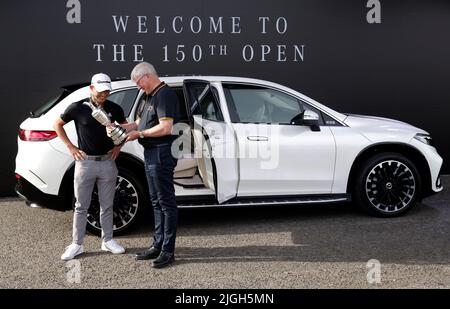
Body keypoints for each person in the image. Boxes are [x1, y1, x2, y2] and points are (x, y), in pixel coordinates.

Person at [55, 73, 127, 260]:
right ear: (92, 89)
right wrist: (71, 147)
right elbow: (58, 124)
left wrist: (119, 146)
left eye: (107, 92)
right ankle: (77, 245)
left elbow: (127, 128)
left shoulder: (114, 108)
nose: (104, 95)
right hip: (85, 163)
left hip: (107, 162)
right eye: (101, 92)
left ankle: (108, 240)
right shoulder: (77, 108)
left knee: (107, 205)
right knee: (81, 206)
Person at [123, 62, 180, 268]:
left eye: (139, 83)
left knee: (166, 203)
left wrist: (139, 134)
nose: (139, 87)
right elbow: (138, 123)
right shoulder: (149, 95)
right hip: (151, 153)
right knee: (156, 201)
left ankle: (167, 250)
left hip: (161, 152)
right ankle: (157, 245)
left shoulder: (164, 95)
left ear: (147, 76)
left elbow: (166, 127)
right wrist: (121, 128)